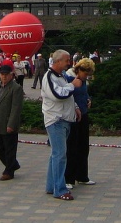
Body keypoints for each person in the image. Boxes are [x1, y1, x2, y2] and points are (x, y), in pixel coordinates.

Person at [41, 49, 83, 201]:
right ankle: (59, 189)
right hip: (56, 120)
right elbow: (58, 95)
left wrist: (76, 107)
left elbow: (68, 98)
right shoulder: (49, 77)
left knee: (56, 155)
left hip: (64, 120)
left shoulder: (61, 77)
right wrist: (73, 85)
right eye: (66, 60)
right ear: (57, 61)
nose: (69, 63)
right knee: (60, 155)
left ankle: (51, 186)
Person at [0, 62, 24, 180]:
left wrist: (11, 124)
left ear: (11, 75)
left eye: (6, 74)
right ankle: (12, 164)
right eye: (2, 74)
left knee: (9, 148)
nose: (4, 76)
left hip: (8, 122)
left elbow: (16, 108)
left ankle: (9, 171)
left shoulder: (16, 88)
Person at [65, 58, 96, 188]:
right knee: (72, 148)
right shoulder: (69, 78)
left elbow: (85, 93)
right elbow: (68, 96)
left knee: (83, 146)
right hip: (73, 117)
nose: (86, 77)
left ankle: (82, 176)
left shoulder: (83, 81)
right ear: (79, 69)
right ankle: (69, 179)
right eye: (86, 73)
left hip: (83, 115)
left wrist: (88, 99)